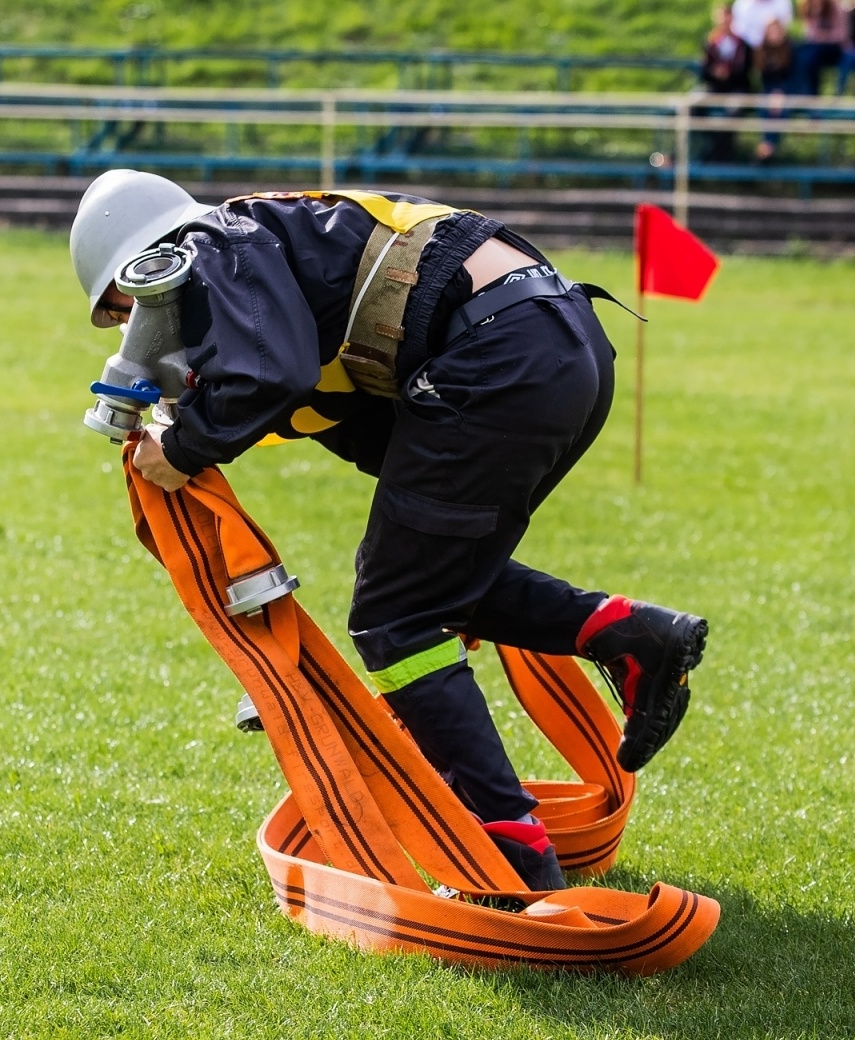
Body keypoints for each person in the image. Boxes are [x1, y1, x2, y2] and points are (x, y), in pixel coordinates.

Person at [70, 170, 712, 893]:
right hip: (558, 346)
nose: (137, 332)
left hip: (499, 355)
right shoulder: (281, 258)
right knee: (428, 583)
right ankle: (632, 637)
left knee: (394, 618)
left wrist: (184, 447)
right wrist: (203, 418)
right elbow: (339, 419)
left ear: (149, 264)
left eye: (130, 308)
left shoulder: (212, 242)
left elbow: (268, 375)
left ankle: (502, 850)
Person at [700, 5, 753, 162]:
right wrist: (714, 73)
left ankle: (723, 152)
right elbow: (704, 71)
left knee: (733, 110)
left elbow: (746, 71)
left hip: (737, 88)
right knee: (693, 106)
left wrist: (729, 74)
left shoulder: (743, 45)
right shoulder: (710, 43)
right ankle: (714, 143)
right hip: (715, 88)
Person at [755, 19, 796, 160]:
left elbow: (794, 77)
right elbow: (764, 80)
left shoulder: (791, 50)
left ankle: (769, 145)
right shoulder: (762, 52)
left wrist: (781, 93)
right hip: (769, 91)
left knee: (781, 109)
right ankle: (767, 144)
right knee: (764, 107)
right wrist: (773, 94)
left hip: (789, 91)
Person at [796, 0, 847, 94]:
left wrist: (823, 36)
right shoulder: (808, 8)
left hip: (834, 49)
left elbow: (841, 35)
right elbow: (809, 34)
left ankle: (813, 93)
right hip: (815, 48)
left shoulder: (835, 7)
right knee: (799, 53)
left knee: (811, 57)